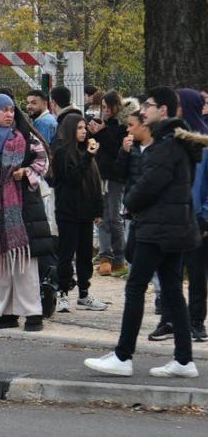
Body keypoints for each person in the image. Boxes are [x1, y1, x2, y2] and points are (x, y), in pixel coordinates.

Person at [84, 87, 205, 378]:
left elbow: (150, 185)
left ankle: (123, 356)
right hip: (174, 227)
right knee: (173, 291)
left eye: (148, 106)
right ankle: (184, 360)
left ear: (163, 110)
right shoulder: (176, 141)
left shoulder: (167, 145)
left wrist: (129, 200)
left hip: (158, 228)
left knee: (135, 287)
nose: (143, 111)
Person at [0, 94, 53, 332]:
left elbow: (43, 161)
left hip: (23, 209)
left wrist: (25, 172)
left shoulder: (24, 135)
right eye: (3, 110)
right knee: (0, 263)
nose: (9, 114)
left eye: (12, 110)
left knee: (25, 262)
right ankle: (6, 313)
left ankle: (33, 313)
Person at [53, 114, 106, 313]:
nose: (84, 131)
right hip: (68, 212)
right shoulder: (62, 153)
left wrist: (98, 210)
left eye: (85, 128)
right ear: (70, 130)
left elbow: (95, 183)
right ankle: (62, 293)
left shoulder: (87, 153)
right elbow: (72, 178)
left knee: (85, 255)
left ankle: (84, 293)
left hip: (85, 212)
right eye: (80, 128)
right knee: (66, 255)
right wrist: (89, 156)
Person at [115, 110, 163, 317]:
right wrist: (123, 153)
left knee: (155, 257)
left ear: (144, 126)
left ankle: (161, 294)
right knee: (132, 254)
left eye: (131, 124)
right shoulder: (131, 148)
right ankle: (135, 294)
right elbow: (119, 175)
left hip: (152, 213)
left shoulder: (160, 149)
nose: (127, 129)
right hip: (132, 212)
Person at [88, 92, 138, 276]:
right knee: (101, 217)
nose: (106, 111)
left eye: (108, 107)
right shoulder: (104, 124)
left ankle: (118, 257)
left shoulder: (123, 126)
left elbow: (117, 149)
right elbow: (97, 148)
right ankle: (104, 257)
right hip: (99, 174)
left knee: (114, 217)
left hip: (116, 176)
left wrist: (102, 133)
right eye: (103, 107)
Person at [176, 88, 208, 341]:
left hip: (197, 218)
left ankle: (196, 321)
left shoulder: (204, 142)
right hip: (175, 215)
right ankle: (173, 319)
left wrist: (204, 215)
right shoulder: (173, 139)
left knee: (196, 273)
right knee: (172, 272)